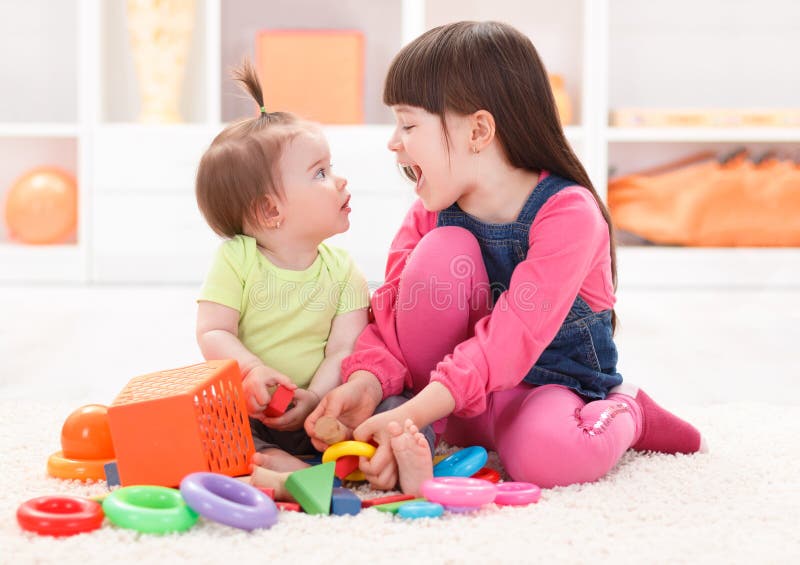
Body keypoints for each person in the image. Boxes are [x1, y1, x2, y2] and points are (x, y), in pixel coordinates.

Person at [305, 21, 704, 496]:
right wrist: (370, 384)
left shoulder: (569, 214)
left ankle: (631, 412)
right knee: (441, 253)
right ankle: (437, 423)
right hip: (451, 398)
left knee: (548, 457)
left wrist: (408, 413)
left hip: (548, 387)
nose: (394, 141)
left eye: (408, 124)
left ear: (478, 130)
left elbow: (512, 338)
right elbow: (390, 321)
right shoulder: (430, 214)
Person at [195, 60, 370, 473]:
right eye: (320, 173)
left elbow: (343, 350)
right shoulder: (236, 259)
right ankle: (274, 458)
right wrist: (252, 371)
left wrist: (316, 398)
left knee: (385, 405)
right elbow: (214, 330)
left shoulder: (345, 271)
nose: (340, 181)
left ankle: (319, 453)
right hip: (249, 407)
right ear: (271, 210)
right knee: (200, 417)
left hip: (317, 409)